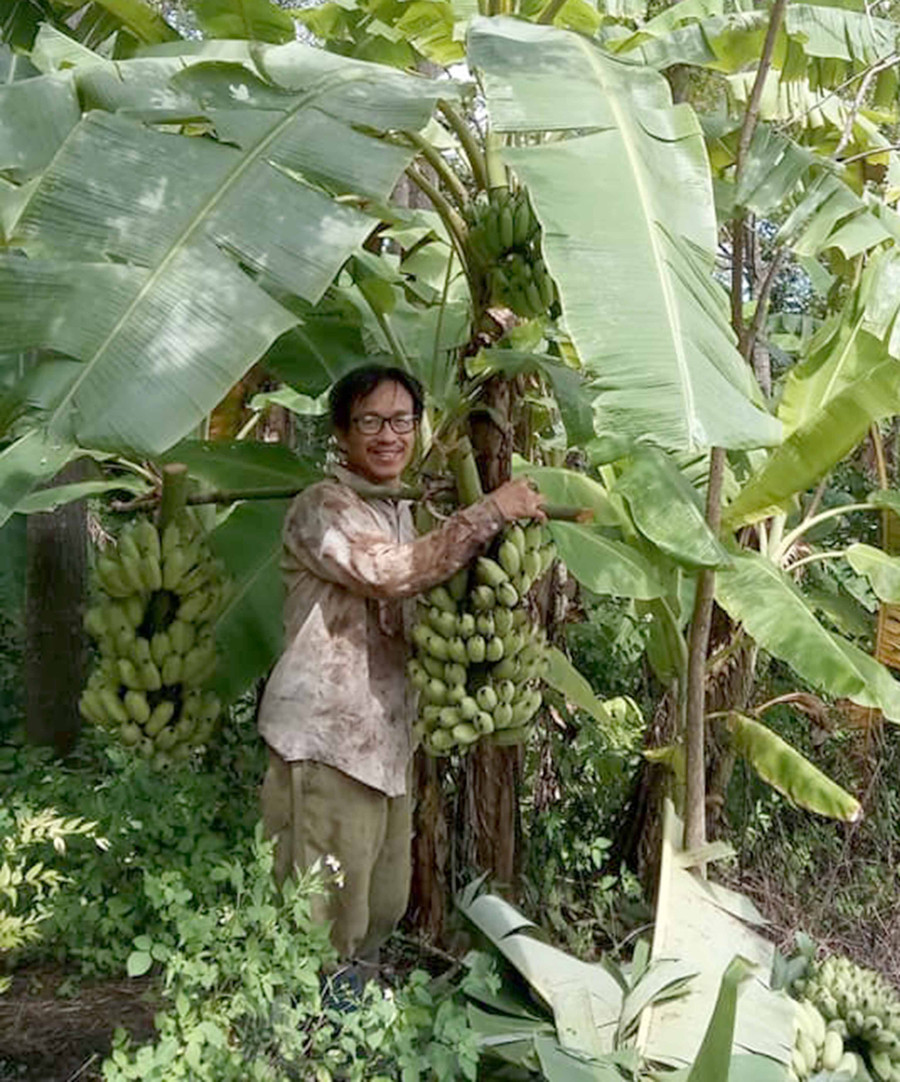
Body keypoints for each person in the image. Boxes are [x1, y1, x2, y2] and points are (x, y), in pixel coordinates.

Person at [258, 363, 545, 966]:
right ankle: (302, 1039)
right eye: (370, 421)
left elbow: (427, 567)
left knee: (380, 905)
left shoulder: (401, 509)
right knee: (323, 912)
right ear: (341, 431)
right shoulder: (323, 509)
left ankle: (353, 1027)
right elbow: (388, 572)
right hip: (326, 740)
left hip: (387, 743)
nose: (388, 435)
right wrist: (489, 511)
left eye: (401, 421)